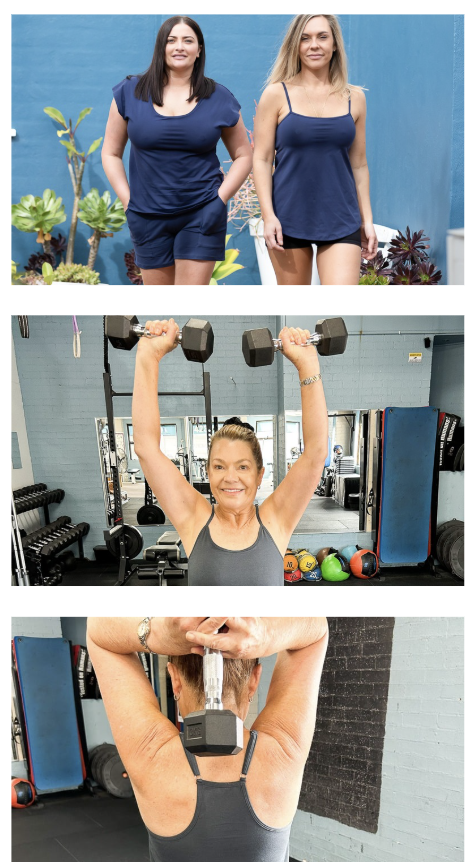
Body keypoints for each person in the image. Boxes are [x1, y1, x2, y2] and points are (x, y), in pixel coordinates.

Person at [86, 616, 329, 862]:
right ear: (254, 680)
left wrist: (158, 632)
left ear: (174, 681)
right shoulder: (283, 753)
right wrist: (266, 634)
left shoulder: (152, 756)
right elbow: (316, 631)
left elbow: (98, 633)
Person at [132, 319, 329, 586]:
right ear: (208, 472)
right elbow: (145, 447)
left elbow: (316, 451)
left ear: (260, 475)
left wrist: (308, 364)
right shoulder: (194, 518)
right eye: (219, 466)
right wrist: (148, 356)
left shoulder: (276, 518)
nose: (230, 477)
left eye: (243, 467)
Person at [102, 16, 252, 285]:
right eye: (171, 40)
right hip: (146, 215)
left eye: (188, 40)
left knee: (189, 307)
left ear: (199, 49)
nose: (179, 46)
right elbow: (110, 153)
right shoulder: (130, 92)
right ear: (161, 47)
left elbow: (244, 155)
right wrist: (129, 203)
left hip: (202, 212)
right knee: (159, 314)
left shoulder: (219, 98)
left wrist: (220, 199)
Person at [253, 14, 378, 285]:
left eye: (322, 37)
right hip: (288, 218)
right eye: (305, 38)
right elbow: (261, 159)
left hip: (341, 217)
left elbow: (359, 164)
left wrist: (367, 220)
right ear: (295, 46)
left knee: (339, 309)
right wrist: (268, 216)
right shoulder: (275, 94)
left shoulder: (354, 98)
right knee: (295, 312)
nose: (314, 45)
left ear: (334, 45)